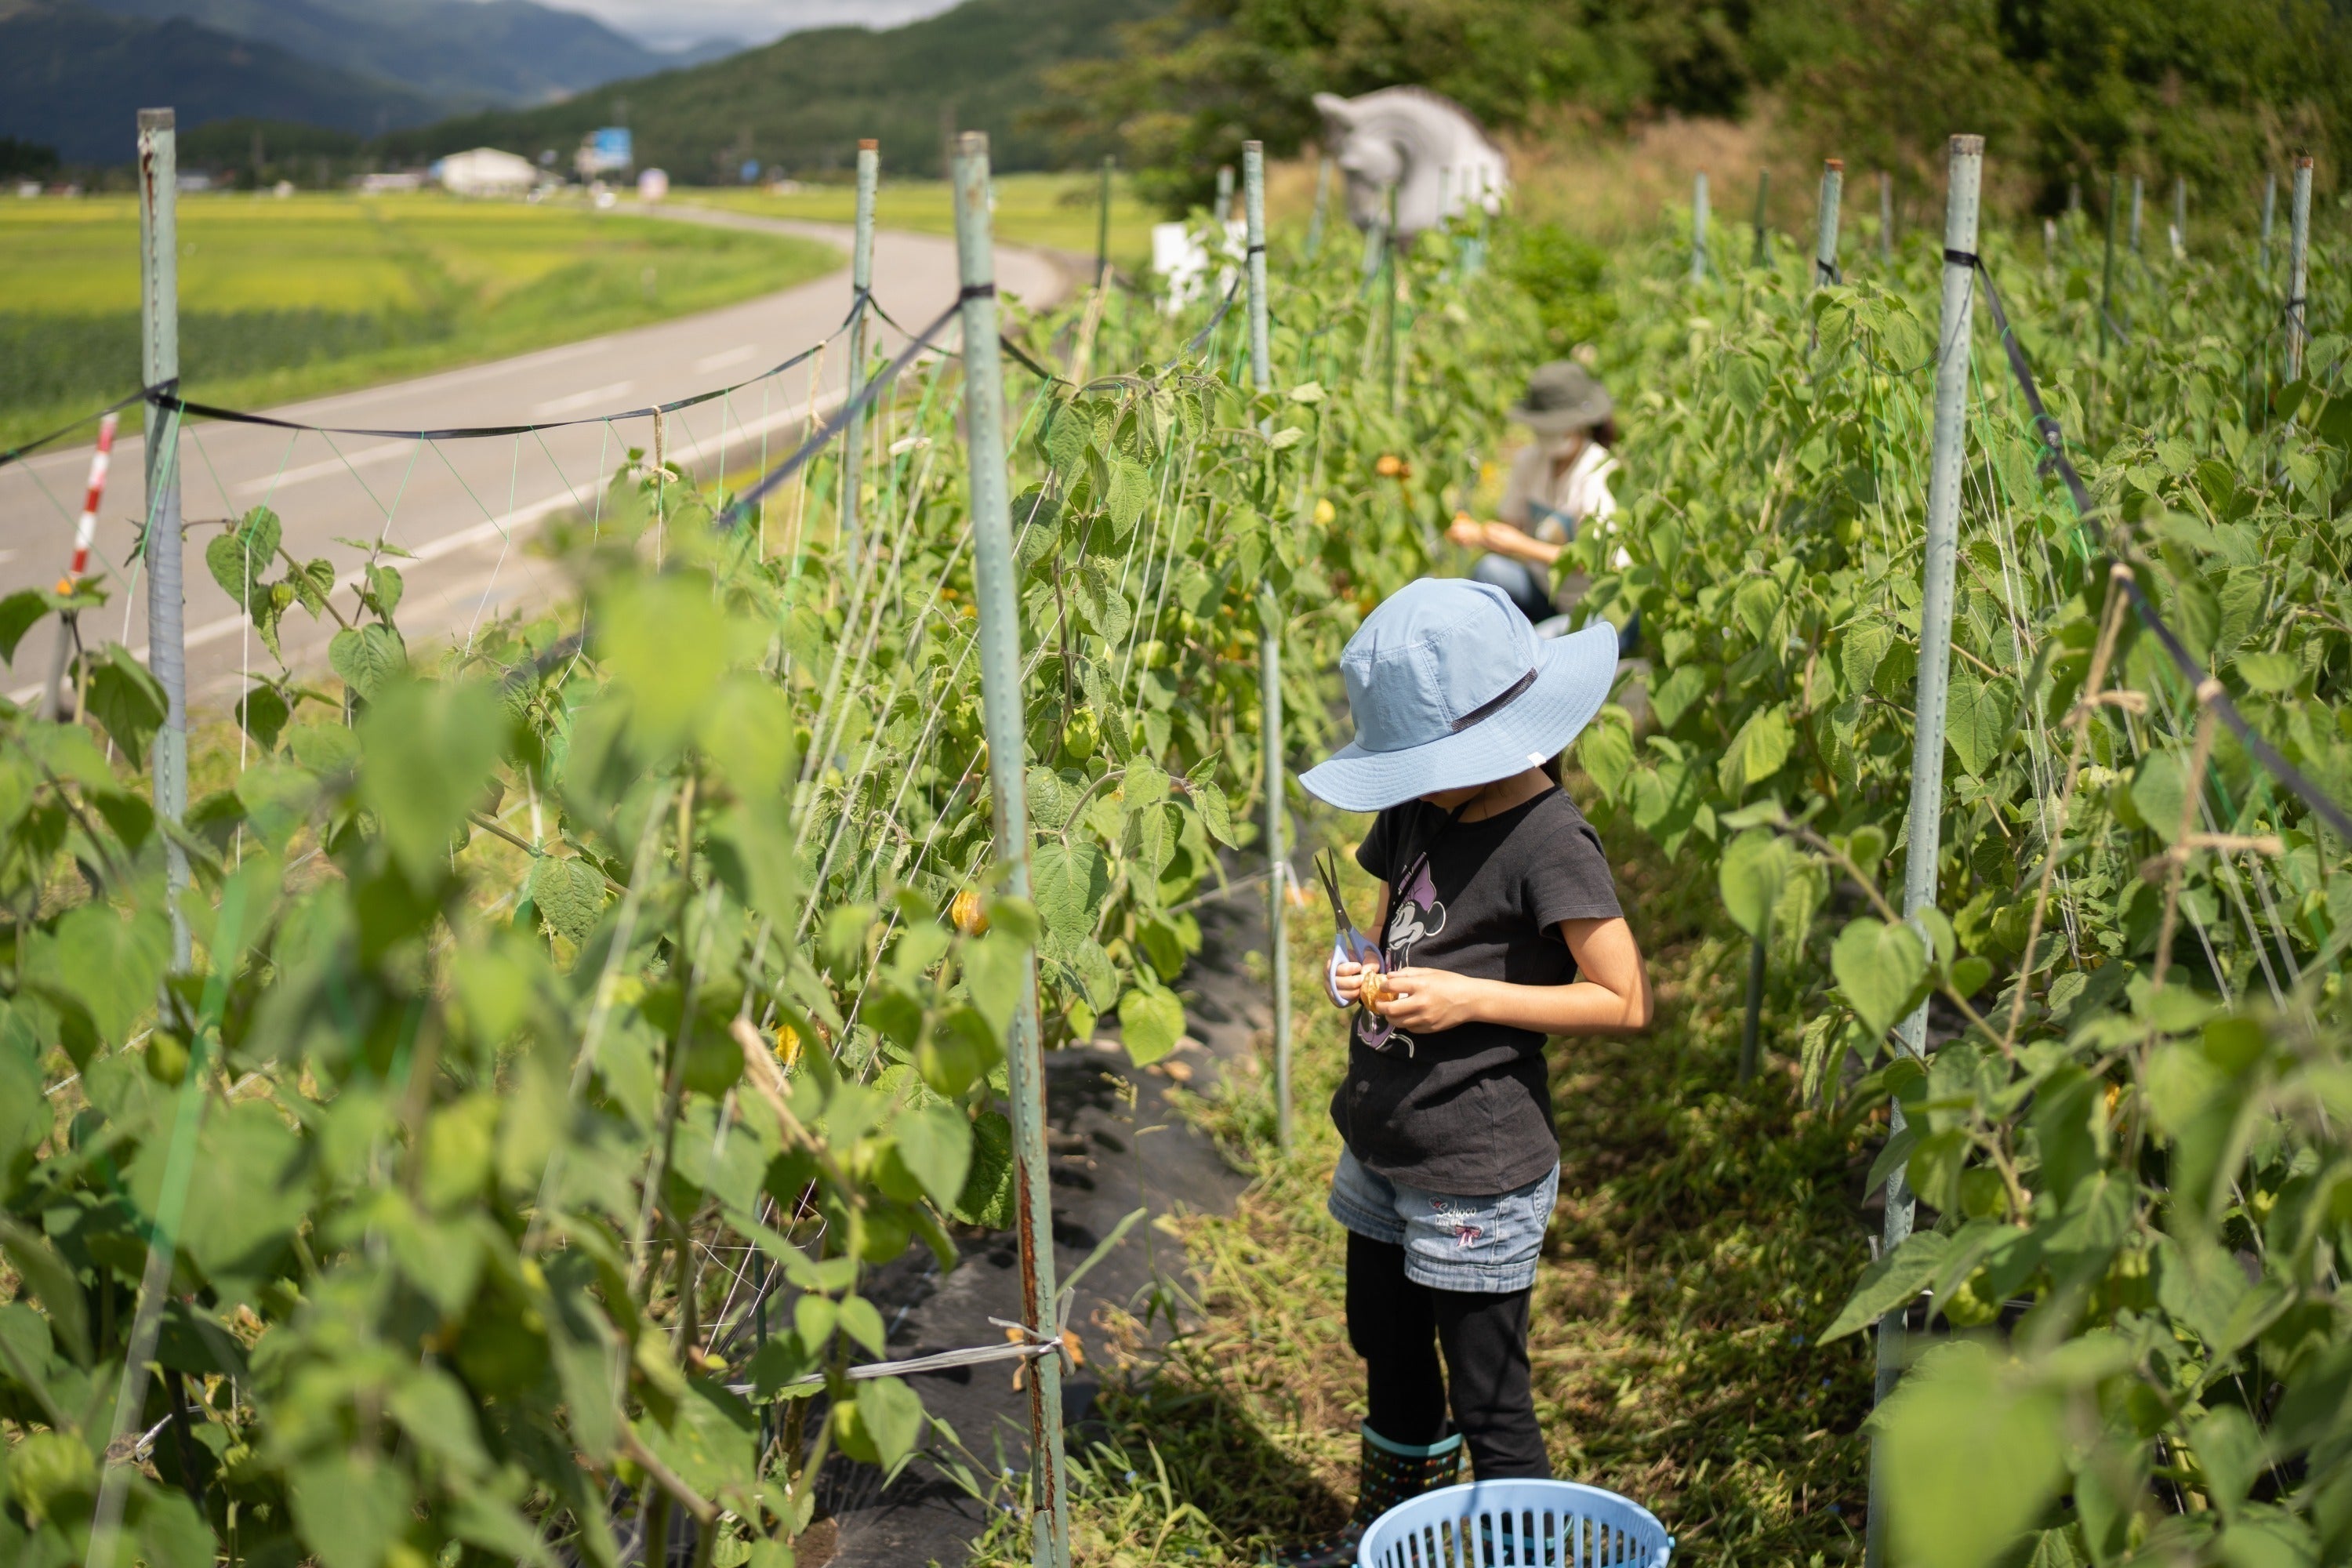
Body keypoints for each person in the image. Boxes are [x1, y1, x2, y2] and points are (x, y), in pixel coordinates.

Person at [1277, 579, 1653, 1566]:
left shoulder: (1549, 838)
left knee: (1490, 1391)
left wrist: (1466, 999)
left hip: (1476, 1164)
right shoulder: (1418, 809)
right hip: (1383, 1139)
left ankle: (1512, 1552)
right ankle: (1389, 1534)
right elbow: (1407, 920)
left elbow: (1623, 998)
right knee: (1387, 1349)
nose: (1408, 779)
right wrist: (1361, 960)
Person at [1446, 361, 1633, 651]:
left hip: (1596, 607)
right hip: (1548, 593)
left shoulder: (1598, 471)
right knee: (1489, 570)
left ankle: (1532, 646)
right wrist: (1480, 534)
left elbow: (1590, 561)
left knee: (1546, 644)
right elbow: (1510, 526)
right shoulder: (1530, 462)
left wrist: (1520, 545)